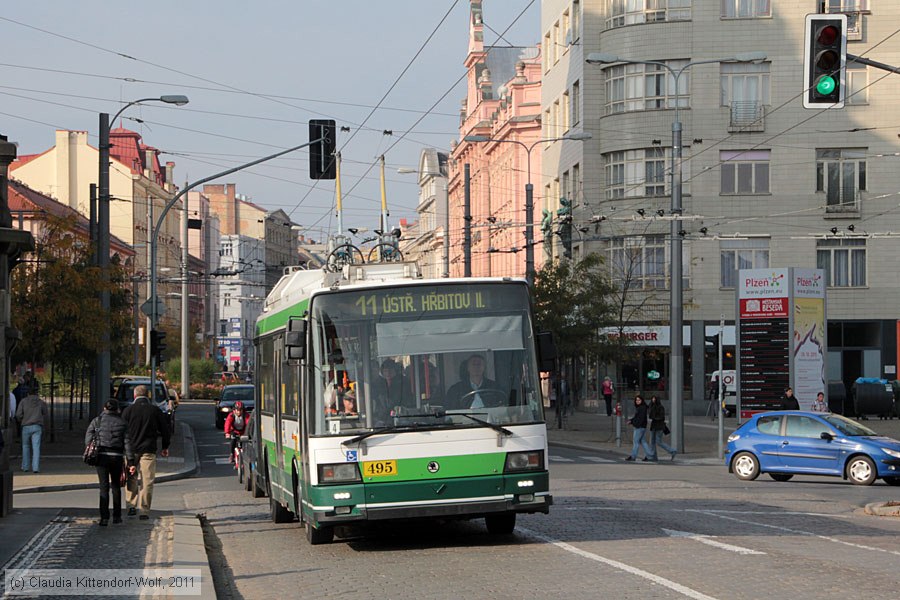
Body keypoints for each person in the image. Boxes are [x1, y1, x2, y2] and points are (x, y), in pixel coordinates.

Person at [122, 384, 171, 520]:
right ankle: (144, 510)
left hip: (131, 450)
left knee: (131, 478)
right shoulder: (155, 410)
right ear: (148, 395)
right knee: (147, 480)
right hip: (148, 449)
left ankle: (131, 505)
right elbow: (165, 430)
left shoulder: (128, 411)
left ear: (135, 395)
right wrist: (165, 446)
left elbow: (122, 432)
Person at [85, 400, 131, 526]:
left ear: (105, 407)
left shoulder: (97, 421)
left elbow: (88, 438)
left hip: (101, 456)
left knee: (103, 487)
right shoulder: (122, 423)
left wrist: (91, 449)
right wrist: (130, 460)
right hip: (117, 457)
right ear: (117, 409)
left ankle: (104, 517)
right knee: (116, 486)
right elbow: (127, 443)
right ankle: (117, 516)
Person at [15, 386, 48, 473]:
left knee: (25, 447)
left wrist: (22, 419)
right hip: (37, 426)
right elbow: (45, 412)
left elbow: (18, 414)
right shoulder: (41, 402)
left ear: (28, 393)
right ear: (36, 393)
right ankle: (35, 468)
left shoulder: (23, 401)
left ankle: (25, 467)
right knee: (36, 447)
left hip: (26, 426)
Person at [626, 395, 656, 462]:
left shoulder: (641, 408)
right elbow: (637, 417)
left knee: (636, 442)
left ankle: (633, 456)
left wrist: (634, 423)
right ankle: (649, 456)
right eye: (636, 400)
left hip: (639, 427)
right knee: (643, 442)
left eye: (639, 400)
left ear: (642, 400)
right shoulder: (642, 407)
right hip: (642, 426)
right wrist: (631, 421)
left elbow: (640, 419)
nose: (637, 401)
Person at [648, 395, 677, 461]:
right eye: (652, 399)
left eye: (654, 399)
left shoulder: (660, 407)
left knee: (659, 441)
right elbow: (650, 414)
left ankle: (672, 451)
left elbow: (661, 417)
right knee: (652, 441)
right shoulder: (652, 406)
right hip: (653, 426)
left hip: (659, 426)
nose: (653, 400)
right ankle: (653, 456)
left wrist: (655, 417)